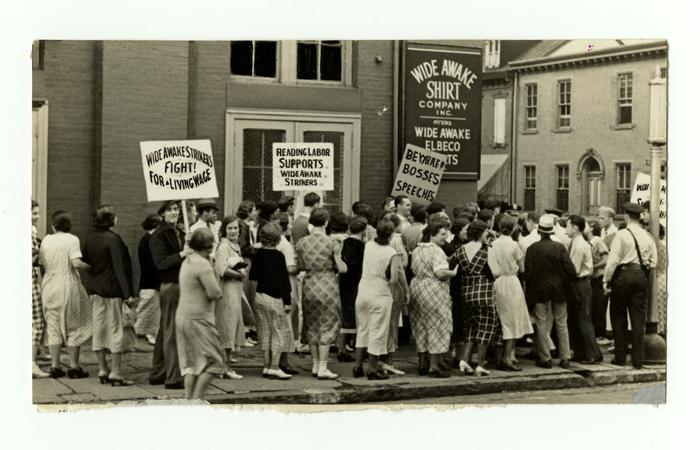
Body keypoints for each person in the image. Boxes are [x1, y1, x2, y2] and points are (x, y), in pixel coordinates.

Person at [81, 205, 136, 386]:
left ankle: (102, 368)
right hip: (113, 291)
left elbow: (87, 264)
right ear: (111, 220)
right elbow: (120, 268)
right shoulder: (114, 239)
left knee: (98, 328)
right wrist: (128, 293)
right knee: (115, 330)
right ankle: (116, 372)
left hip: (96, 290)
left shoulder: (89, 239)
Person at [603, 202, 657, 369]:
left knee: (618, 317)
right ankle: (637, 359)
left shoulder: (622, 235)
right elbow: (653, 263)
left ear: (626, 217)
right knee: (638, 319)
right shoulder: (648, 236)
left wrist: (606, 280)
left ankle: (620, 356)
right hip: (641, 276)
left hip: (622, 276)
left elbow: (612, 261)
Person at [296, 207, 347, 379]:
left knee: (311, 324)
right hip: (328, 285)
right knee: (327, 323)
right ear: (325, 222)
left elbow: (300, 266)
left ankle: (315, 364)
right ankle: (324, 367)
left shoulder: (302, 242)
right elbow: (341, 267)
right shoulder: (333, 243)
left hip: (309, 284)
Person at [40, 210, 92, 379]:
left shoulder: (46, 240)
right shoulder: (72, 239)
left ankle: (55, 367)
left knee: (52, 325)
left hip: (48, 284)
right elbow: (76, 263)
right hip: (67, 284)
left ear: (53, 225)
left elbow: (42, 263)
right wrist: (92, 267)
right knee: (74, 325)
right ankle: (74, 367)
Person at [176, 228, 225, 399]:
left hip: (183, 316)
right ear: (209, 246)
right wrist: (215, 272)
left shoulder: (187, 260)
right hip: (200, 318)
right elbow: (215, 293)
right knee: (215, 362)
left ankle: (188, 400)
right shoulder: (203, 265)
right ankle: (196, 400)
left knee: (191, 363)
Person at [148, 200, 193, 389]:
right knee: (172, 331)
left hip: (178, 284)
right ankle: (173, 377)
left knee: (165, 330)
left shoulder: (179, 232)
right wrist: (183, 253)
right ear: (162, 213)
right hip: (171, 285)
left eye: (176, 209)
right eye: (170, 210)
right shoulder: (158, 235)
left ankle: (159, 372)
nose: (174, 212)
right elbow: (161, 263)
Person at [524, 215, 576, 369]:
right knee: (561, 323)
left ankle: (545, 358)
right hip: (559, 289)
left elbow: (528, 274)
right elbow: (571, 271)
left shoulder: (532, 249)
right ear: (552, 231)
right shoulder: (560, 248)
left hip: (540, 289)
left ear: (539, 231)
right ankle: (565, 357)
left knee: (541, 323)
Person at [353, 219, 401, 380]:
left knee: (363, 329)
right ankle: (372, 369)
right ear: (391, 234)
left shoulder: (368, 246)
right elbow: (394, 279)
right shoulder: (391, 253)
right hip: (381, 293)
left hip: (364, 289)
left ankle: (357, 366)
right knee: (378, 331)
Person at [410, 221, 458, 378]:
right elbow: (440, 273)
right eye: (442, 234)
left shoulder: (417, 249)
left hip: (417, 288)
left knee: (420, 325)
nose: (445, 237)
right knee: (437, 325)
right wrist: (453, 271)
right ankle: (434, 365)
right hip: (434, 290)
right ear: (432, 235)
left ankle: (422, 362)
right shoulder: (437, 251)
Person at [249, 223, 295, 380]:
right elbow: (284, 282)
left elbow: (253, 275)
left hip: (260, 296)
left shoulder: (258, 254)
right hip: (275, 297)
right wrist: (287, 302)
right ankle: (275, 366)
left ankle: (266, 365)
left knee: (264, 331)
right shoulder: (279, 256)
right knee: (278, 331)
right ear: (278, 239)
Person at [488, 215, 533, 371]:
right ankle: (508, 357)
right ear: (514, 228)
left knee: (499, 320)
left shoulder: (492, 244)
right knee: (512, 320)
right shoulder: (514, 245)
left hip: (496, 282)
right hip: (511, 282)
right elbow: (522, 268)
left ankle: (498, 356)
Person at [455, 220, 498, 376]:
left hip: (467, 293)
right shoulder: (487, 250)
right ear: (481, 233)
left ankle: (464, 360)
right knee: (485, 328)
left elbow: (450, 264)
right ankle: (480, 364)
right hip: (484, 293)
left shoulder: (460, 249)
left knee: (471, 329)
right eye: (486, 232)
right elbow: (496, 271)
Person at [566, 215, 603, 364]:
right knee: (576, 319)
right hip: (581, 283)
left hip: (580, 283)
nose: (566, 229)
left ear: (575, 228)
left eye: (568, 226)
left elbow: (573, 269)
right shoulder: (577, 243)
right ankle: (581, 352)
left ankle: (592, 353)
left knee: (582, 319)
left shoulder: (579, 245)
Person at [214, 215, 247, 380]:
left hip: (235, 290)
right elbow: (221, 268)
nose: (234, 231)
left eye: (236, 228)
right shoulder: (224, 247)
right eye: (230, 228)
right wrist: (238, 274)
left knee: (232, 326)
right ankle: (225, 367)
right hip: (227, 291)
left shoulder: (235, 246)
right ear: (224, 231)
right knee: (226, 327)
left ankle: (224, 365)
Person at [271, 212, 300, 374]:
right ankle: (283, 360)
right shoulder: (285, 245)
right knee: (285, 324)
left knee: (280, 324)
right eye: (288, 224)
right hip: (287, 285)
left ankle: (279, 360)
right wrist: (300, 265)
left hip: (276, 285)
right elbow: (289, 268)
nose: (290, 226)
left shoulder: (277, 243)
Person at [383, 213, 410, 375]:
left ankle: (380, 360)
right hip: (393, 288)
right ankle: (389, 361)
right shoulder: (395, 245)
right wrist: (406, 289)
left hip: (377, 287)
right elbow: (399, 269)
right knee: (392, 324)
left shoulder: (372, 245)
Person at [338, 216, 367, 363]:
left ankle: (341, 346)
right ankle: (351, 347)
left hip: (343, 282)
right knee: (355, 315)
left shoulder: (344, 243)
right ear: (364, 230)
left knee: (346, 313)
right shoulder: (362, 247)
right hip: (356, 282)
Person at [135, 214, 162, 345]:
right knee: (149, 309)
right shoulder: (152, 241)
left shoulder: (146, 239)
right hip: (152, 281)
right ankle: (149, 333)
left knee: (150, 309)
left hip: (148, 280)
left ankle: (148, 332)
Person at [31, 201, 49, 378]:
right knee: (36, 323)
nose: (37, 217)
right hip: (28, 280)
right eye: (34, 213)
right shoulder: (30, 231)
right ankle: (31, 364)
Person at [587, 220, 611, 342]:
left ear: (591, 228)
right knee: (594, 306)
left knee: (599, 306)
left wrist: (592, 266)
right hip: (593, 278)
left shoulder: (598, 241)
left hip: (599, 278)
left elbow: (606, 259)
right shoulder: (589, 242)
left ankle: (601, 334)